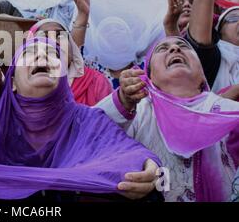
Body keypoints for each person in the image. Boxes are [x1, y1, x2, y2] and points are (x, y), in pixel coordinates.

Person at [0, 37, 161, 202]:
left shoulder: (89, 120)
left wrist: (148, 166)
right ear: (12, 83)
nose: (42, 57)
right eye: (30, 53)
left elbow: (124, 154)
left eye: (53, 55)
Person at [97, 36, 239, 201]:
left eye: (183, 46)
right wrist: (122, 100)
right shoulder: (137, 111)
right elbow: (87, 135)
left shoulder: (225, 111)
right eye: (162, 49)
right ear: (151, 78)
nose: (175, 49)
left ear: (202, 76)